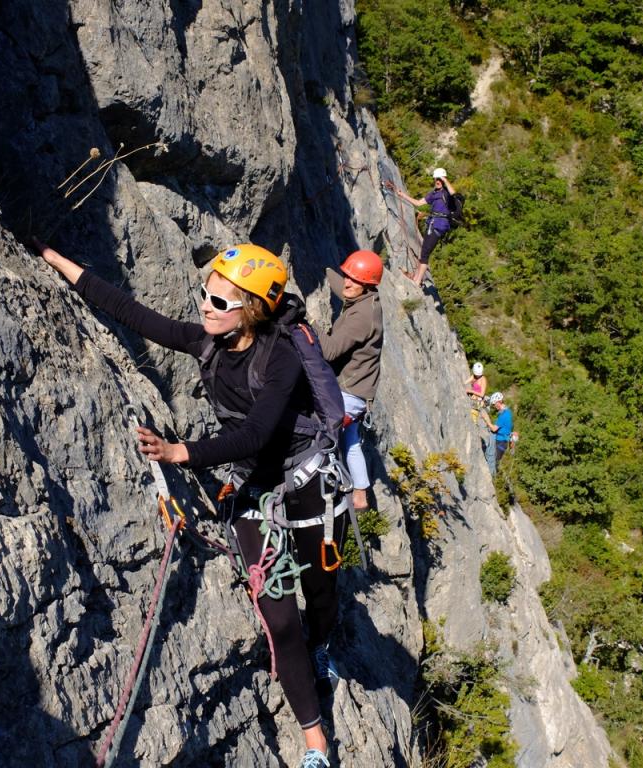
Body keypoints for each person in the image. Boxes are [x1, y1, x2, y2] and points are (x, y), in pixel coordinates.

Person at [34, 240, 344, 768]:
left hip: (307, 479)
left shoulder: (283, 356)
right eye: (206, 295)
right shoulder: (206, 342)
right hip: (254, 489)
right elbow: (134, 314)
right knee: (278, 616)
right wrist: (59, 262)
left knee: (320, 585)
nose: (205, 306)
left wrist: (183, 452)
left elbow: (257, 432)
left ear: (252, 309)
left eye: (220, 302)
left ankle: (324, 642)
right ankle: (315, 740)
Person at [321, 250, 384, 514]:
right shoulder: (365, 298)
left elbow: (330, 351)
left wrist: (307, 322)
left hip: (348, 393)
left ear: (367, 285)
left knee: (318, 432)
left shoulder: (362, 317)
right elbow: (342, 285)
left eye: (353, 280)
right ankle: (360, 495)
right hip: (358, 391)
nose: (347, 283)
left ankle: (323, 489)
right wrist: (325, 270)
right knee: (351, 440)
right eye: (346, 276)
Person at [393, 167, 455, 287]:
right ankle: (416, 278)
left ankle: (417, 281)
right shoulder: (433, 193)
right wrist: (402, 195)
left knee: (425, 253)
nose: (437, 181)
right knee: (423, 252)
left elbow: (454, 193)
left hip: (439, 226)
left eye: (440, 180)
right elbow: (418, 203)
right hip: (432, 223)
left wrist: (445, 180)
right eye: (436, 179)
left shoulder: (446, 194)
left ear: (443, 180)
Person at [482, 391, 513, 475]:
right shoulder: (507, 411)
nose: (494, 407)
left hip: (500, 442)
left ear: (499, 402)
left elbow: (494, 428)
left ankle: (493, 480)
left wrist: (486, 419)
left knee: (493, 462)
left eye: (494, 404)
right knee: (495, 461)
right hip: (502, 441)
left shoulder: (503, 415)